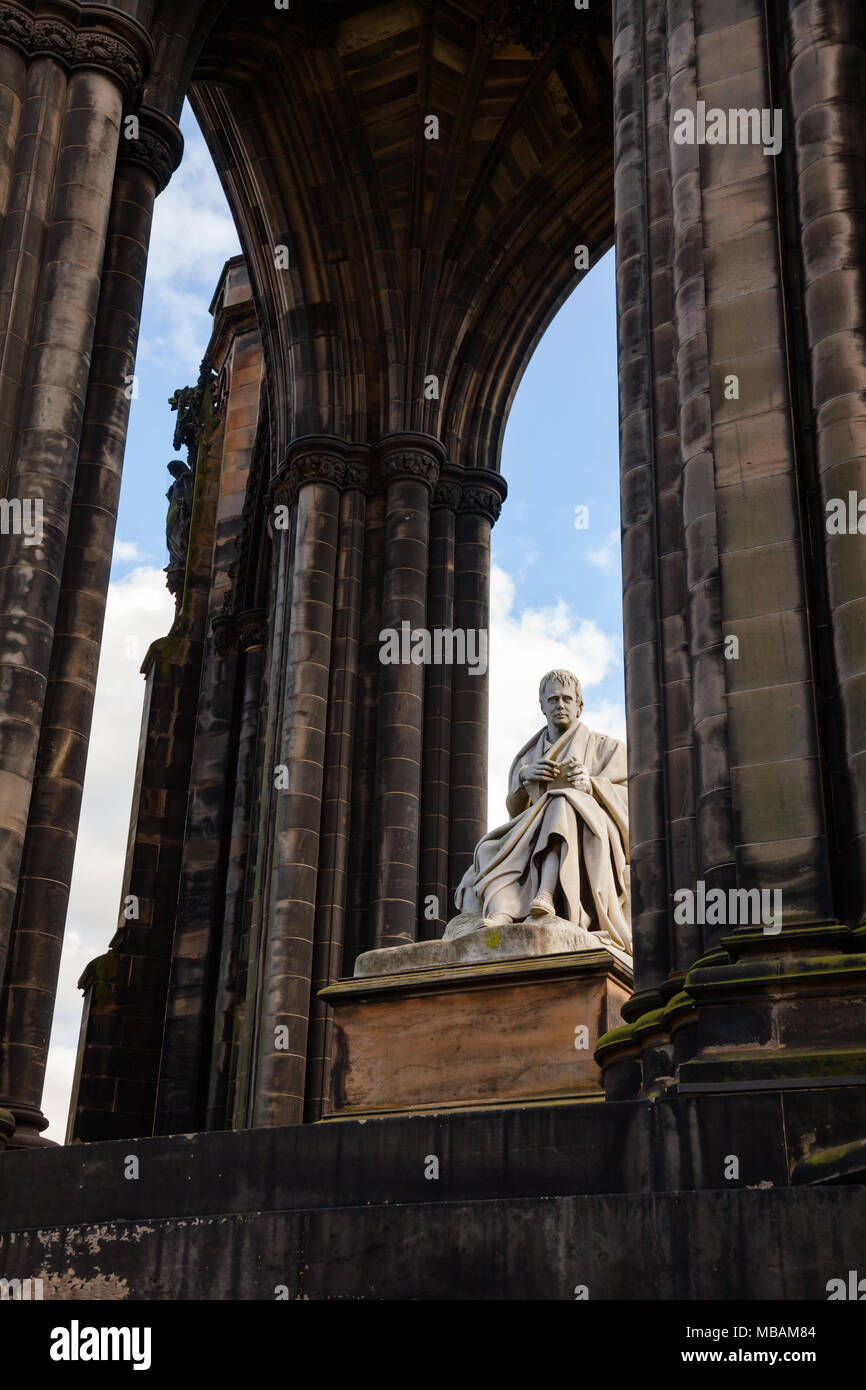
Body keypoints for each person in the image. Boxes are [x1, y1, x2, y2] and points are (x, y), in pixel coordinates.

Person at [446, 668, 631, 954]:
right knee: (487, 848)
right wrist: (524, 781)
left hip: (587, 832)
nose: (560, 705)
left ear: (580, 706)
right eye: (553, 699)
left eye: (567, 699)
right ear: (542, 706)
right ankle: (503, 912)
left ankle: (545, 894)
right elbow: (516, 812)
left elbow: (633, 800)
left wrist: (592, 786)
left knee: (561, 802)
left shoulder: (606, 748)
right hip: (533, 828)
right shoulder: (527, 756)